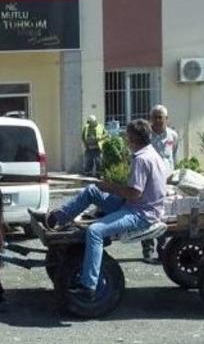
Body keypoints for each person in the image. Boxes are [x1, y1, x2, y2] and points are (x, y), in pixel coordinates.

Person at [45, 119, 168, 301]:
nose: (125, 140)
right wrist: (103, 187)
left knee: (95, 231)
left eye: (127, 137)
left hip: (141, 213)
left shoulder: (141, 159)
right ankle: (60, 217)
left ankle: (89, 285)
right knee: (92, 190)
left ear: (133, 138)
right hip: (135, 205)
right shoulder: (152, 153)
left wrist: (109, 187)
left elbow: (134, 193)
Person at [141, 104, 181, 264]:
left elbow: (174, 156)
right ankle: (147, 250)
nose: (157, 120)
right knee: (148, 216)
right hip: (149, 183)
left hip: (167, 183)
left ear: (166, 119)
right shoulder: (146, 136)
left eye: (160, 117)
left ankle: (163, 250)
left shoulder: (173, 136)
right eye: (155, 117)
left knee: (164, 216)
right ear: (151, 119)